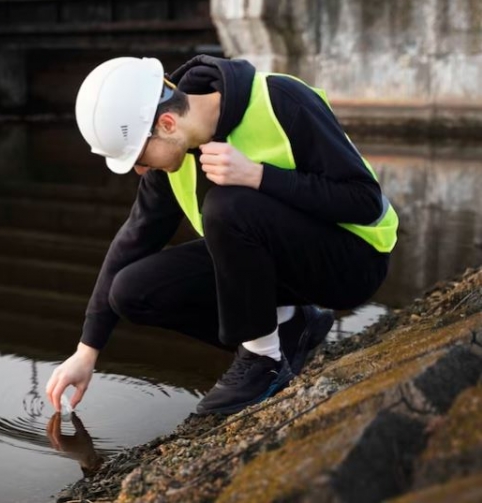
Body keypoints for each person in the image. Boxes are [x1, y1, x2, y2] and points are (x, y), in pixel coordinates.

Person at [45, 55, 398, 415]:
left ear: (167, 123)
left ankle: (264, 364)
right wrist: (87, 350)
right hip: (287, 270)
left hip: (354, 262)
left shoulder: (281, 100)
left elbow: (364, 201)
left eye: (138, 156)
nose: (139, 169)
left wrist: (259, 176)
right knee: (132, 291)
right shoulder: (175, 152)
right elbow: (134, 238)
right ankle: (291, 326)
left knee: (226, 206)